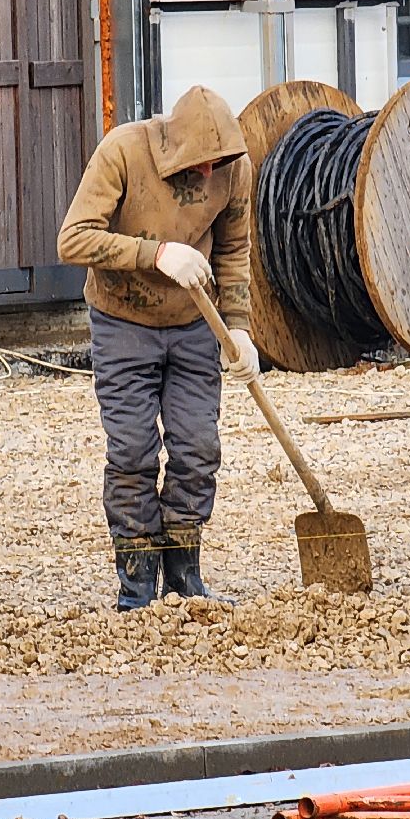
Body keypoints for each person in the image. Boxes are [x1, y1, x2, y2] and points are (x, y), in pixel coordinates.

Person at [57, 85, 261, 612]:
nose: (212, 173)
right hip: (122, 322)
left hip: (196, 325)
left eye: (222, 163)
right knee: (132, 452)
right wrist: (156, 254)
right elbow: (73, 239)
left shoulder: (236, 171)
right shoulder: (123, 151)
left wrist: (238, 327)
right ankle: (137, 583)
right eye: (204, 164)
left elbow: (236, 248)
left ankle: (184, 575)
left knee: (198, 449)